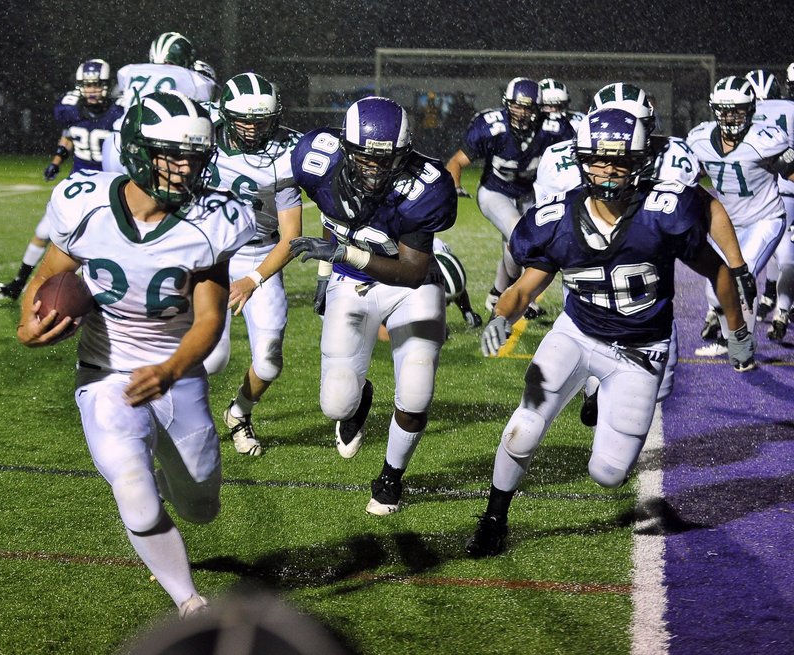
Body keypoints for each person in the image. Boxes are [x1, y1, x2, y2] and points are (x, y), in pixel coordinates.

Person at [465, 108, 753, 558]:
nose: (607, 171)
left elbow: (716, 269)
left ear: (640, 161)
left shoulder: (663, 212)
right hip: (577, 335)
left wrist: (737, 330)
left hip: (641, 352)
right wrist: (502, 316)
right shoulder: (558, 218)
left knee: (608, 473)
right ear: (582, 159)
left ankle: (599, 393)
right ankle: (493, 518)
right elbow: (525, 287)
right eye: (598, 160)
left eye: (618, 161)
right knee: (523, 426)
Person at [15, 91, 256, 615]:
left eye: (194, 156)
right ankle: (189, 601)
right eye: (172, 154)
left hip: (178, 375)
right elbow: (51, 274)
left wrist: (170, 369)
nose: (185, 166)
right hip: (104, 375)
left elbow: (210, 318)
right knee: (132, 486)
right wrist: (27, 325)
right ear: (138, 150)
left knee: (201, 508)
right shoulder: (84, 202)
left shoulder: (214, 219)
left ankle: (175, 485)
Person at [534, 82, 751, 425]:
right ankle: (594, 390)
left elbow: (708, 207)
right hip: (586, 277)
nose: (617, 151)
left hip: (649, 284)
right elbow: (546, 228)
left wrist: (736, 265)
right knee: (590, 345)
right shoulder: (560, 161)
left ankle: (608, 395)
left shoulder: (673, 159)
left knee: (659, 387)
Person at [289, 96, 456, 515]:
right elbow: (327, 217)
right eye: (364, 157)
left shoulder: (427, 186)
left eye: (387, 159)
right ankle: (360, 399)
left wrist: (340, 258)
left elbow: (413, 271)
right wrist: (328, 274)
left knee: (416, 394)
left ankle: (390, 478)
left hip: (410, 289)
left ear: (405, 154)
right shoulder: (315, 158)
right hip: (350, 283)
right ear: (345, 147)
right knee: (336, 405)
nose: (374, 167)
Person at [201, 73, 303, 457]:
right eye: (243, 119)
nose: (251, 128)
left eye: (260, 120)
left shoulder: (285, 154)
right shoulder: (203, 133)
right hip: (210, 252)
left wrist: (253, 279)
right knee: (212, 358)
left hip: (259, 255)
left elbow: (291, 236)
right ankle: (177, 421)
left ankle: (239, 413)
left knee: (270, 360)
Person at [445, 78, 575, 316]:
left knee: (516, 244)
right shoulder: (491, 126)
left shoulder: (553, 128)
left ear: (538, 108)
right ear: (507, 104)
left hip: (528, 193)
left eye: (527, 107)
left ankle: (497, 294)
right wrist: (454, 185)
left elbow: (573, 157)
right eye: (516, 105)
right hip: (495, 192)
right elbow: (456, 161)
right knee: (519, 236)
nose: (521, 113)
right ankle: (515, 295)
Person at [0, 59, 123, 300]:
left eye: (97, 84)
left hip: (109, 185)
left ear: (107, 85)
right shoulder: (72, 110)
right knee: (43, 231)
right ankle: (18, 282)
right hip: (79, 184)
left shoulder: (118, 112)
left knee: (108, 241)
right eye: (87, 85)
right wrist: (56, 161)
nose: (92, 89)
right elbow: (69, 135)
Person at [687, 75, 794, 357]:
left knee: (739, 280)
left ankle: (739, 345)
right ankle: (733, 338)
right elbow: (689, 175)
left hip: (766, 219)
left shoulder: (765, 139)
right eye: (724, 110)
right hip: (729, 224)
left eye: (737, 110)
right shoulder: (699, 139)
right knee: (716, 289)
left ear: (751, 110)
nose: (730, 116)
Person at [102, 32, 216, 174]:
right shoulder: (192, 78)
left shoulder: (128, 70)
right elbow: (207, 99)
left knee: (114, 193)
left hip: (115, 140)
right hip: (152, 146)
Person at [744, 69, 794, 340]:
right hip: (785, 191)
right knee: (785, 254)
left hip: (770, 190)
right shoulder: (784, 110)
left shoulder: (762, 112)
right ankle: (779, 306)